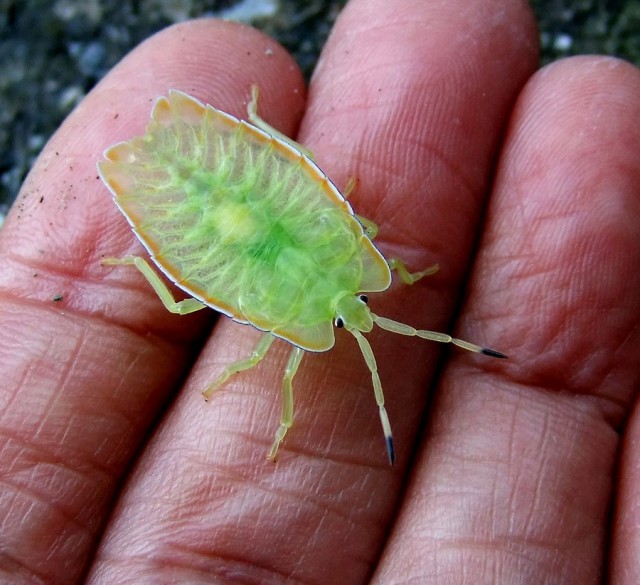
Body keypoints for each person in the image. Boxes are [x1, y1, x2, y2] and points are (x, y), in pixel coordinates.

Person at [1, 1, 639, 583]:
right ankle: (230, 131)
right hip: (229, 202)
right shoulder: (316, 288)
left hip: (225, 206)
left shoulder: (343, 255)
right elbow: (295, 227)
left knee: (200, 279)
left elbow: (308, 192)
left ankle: (230, 134)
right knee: (202, 283)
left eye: (340, 323)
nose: (356, 319)